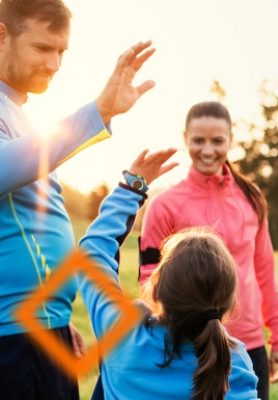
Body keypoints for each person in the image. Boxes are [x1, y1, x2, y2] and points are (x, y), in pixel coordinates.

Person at [0, 0, 156, 397]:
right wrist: (99, 111)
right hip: (12, 340)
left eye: (62, 51)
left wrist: (54, 313)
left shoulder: (20, 114)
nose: (54, 64)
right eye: (42, 48)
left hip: (41, 330)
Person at [76, 148, 259, 399]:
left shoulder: (122, 334)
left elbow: (92, 253)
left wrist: (134, 185)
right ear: (228, 302)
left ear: (157, 283)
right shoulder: (234, 364)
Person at [139, 102, 278, 399]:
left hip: (249, 344)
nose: (208, 150)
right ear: (185, 139)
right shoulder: (163, 205)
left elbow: (265, 273)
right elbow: (149, 281)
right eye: (198, 140)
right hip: (188, 347)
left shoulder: (252, 198)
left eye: (217, 141)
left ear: (230, 140)